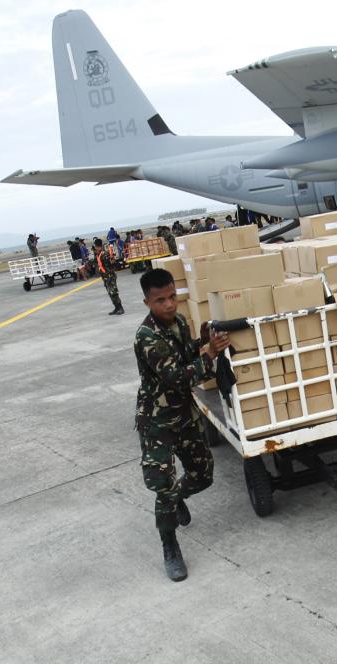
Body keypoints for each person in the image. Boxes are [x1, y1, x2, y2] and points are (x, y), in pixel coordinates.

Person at [134, 268, 229, 581]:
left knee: (203, 476)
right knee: (162, 487)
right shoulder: (145, 336)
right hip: (157, 421)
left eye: (173, 296)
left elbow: (184, 353)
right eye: (160, 300)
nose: (170, 304)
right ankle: (170, 546)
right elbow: (176, 377)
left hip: (185, 415)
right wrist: (210, 355)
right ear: (147, 301)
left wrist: (202, 341)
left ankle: (176, 499)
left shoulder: (180, 322)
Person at [93, 238, 124, 315]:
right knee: (110, 293)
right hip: (106, 277)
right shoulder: (99, 254)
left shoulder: (105, 254)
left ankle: (120, 308)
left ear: (97, 246)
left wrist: (112, 260)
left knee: (113, 292)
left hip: (110, 276)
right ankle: (116, 308)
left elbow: (111, 265)